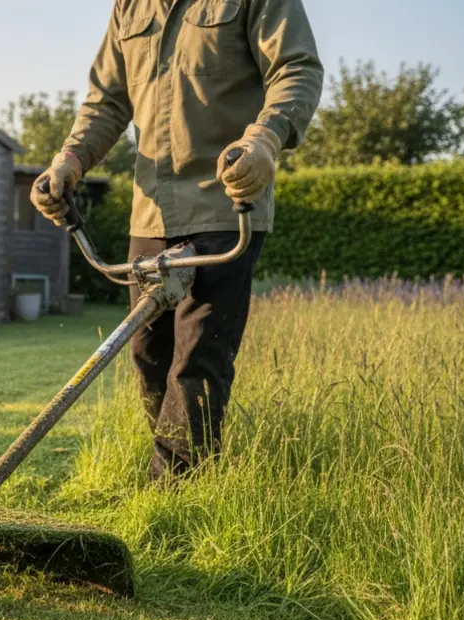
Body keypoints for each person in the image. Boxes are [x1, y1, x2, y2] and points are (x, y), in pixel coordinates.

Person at [32, 0, 323, 482]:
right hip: (150, 213)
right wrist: (70, 159)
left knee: (196, 362)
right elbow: (107, 100)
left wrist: (265, 141)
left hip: (225, 203)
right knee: (148, 355)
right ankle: (173, 472)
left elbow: (296, 68)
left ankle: (173, 494)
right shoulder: (130, 6)